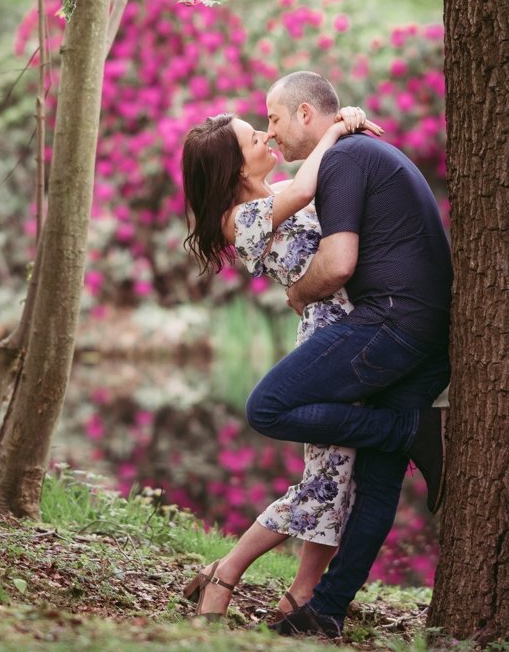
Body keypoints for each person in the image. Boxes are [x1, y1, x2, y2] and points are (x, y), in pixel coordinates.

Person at [244, 70, 451, 637]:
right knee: (380, 483)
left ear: (306, 114)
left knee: (266, 407)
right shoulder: (355, 153)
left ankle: (404, 433)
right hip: (429, 335)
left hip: (392, 320)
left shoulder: (342, 161)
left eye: (275, 118)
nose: (272, 131)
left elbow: (336, 266)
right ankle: (326, 612)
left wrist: (295, 292)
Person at [181, 104, 384, 621]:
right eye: (254, 138)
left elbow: (313, 184)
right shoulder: (240, 218)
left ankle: (303, 593)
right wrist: (336, 127)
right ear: (235, 167)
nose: (266, 138)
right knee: (321, 485)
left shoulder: (272, 193)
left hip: (352, 335)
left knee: (339, 481)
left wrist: (341, 120)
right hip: (329, 347)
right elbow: (308, 188)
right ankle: (225, 573)